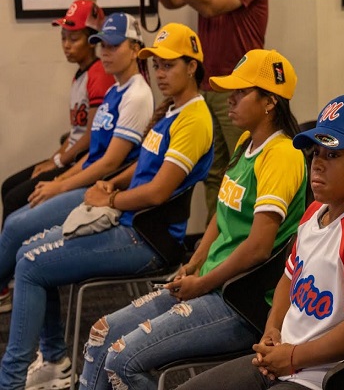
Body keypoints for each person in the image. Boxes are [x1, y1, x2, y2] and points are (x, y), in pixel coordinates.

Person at [77, 48, 306, 390]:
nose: (229, 100)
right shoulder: (247, 141)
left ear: (270, 102)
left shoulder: (282, 155)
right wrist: (195, 263)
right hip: (212, 281)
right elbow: (222, 212)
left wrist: (205, 281)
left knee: (122, 361)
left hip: (240, 299)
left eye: (241, 93)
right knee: (101, 334)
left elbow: (259, 248)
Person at [0, 22, 212, 390]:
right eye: (156, 65)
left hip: (144, 239)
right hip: (126, 222)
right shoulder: (173, 111)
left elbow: (157, 192)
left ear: (192, 66)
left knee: (32, 263)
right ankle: (52, 361)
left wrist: (108, 198)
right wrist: (112, 183)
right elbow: (142, 166)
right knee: (28, 254)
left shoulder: (194, 119)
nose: (160, 73)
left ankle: (14, 380)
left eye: (168, 65)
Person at [175, 94, 344, 390]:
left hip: (327, 378)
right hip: (287, 360)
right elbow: (288, 279)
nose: (318, 164)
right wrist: (272, 329)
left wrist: (293, 356)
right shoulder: (314, 213)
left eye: (333, 155)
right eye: (317, 153)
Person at [0, 12, 153, 315]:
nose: (105, 53)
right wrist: (58, 179)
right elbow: (91, 153)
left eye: (113, 46)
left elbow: (110, 162)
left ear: (135, 48)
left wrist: (60, 187)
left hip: (101, 189)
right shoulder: (114, 90)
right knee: (25, 237)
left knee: (17, 227)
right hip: (88, 178)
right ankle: (52, 351)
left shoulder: (137, 95)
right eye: (103, 46)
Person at [1, 0, 115, 226]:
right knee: (7, 186)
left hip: (83, 161)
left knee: (15, 199)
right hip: (69, 157)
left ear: (92, 40)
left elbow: (92, 134)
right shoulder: (79, 75)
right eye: (63, 38)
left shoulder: (99, 74)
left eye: (74, 39)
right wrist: (54, 158)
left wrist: (59, 161)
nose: (66, 45)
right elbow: (75, 131)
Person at [159, 0, 268, 223]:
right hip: (210, 84)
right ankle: (216, 238)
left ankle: (246, 236)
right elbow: (172, 0)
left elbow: (211, 5)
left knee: (243, 169)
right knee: (214, 173)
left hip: (241, 88)